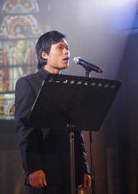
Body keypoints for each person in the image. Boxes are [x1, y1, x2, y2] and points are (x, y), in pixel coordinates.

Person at [14, 30, 92, 194]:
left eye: (68, 48)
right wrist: (33, 167)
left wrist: (83, 168)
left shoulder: (70, 86)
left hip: (70, 173)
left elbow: (76, 130)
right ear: (44, 54)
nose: (67, 52)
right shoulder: (28, 83)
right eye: (60, 48)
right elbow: (24, 129)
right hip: (44, 174)